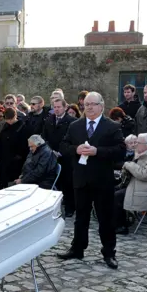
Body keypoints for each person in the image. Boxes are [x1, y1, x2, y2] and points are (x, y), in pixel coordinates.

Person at [59, 92, 126, 270]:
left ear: (101, 106)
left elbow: (120, 150)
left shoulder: (111, 126)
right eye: (86, 104)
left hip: (102, 180)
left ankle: (109, 252)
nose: (88, 107)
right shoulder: (75, 126)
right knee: (81, 217)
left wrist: (98, 151)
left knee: (106, 218)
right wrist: (76, 149)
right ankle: (77, 248)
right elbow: (63, 147)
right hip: (81, 179)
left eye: (93, 104)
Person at [114, 133, 147, 235]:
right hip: (135, 185)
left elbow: (144, 175)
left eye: (138, 143)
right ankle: (121, 220)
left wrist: (130, 165)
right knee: (109, 189)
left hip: (143, 191)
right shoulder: (143, 154)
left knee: (116, 197)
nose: (135, 145)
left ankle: (120, 226)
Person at [43, 97, 77, 217]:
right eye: (55, 107)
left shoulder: (72, 121)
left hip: (67, 157)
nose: (56, 109)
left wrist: (63, 151)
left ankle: (69, 208)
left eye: (59, 107)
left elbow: (73, 140)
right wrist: (50, 150)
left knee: (68, 183)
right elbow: (44, 137)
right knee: (52, 182)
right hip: (52, 155)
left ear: (65, 107)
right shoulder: (49, 120)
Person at [0, 107, 31, 190]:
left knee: (14, 182)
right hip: (4, 158)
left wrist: (19, 155)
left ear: (15, 116)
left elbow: (24, 144)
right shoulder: (5, 126)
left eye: (11, 119)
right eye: (7, 120)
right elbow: (0, 141)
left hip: (17, 160)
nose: (9, 122)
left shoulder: (22, 127)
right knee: (3, 181)